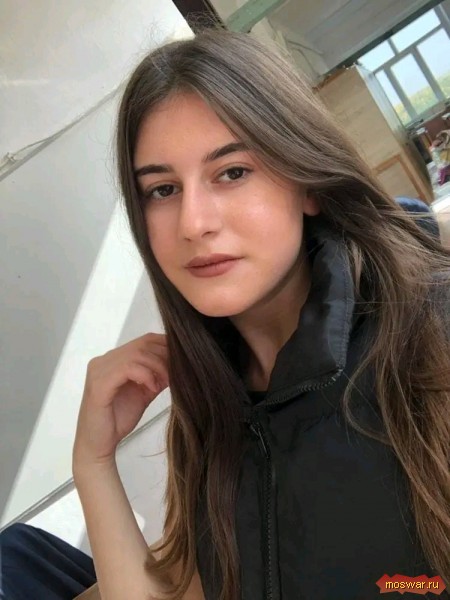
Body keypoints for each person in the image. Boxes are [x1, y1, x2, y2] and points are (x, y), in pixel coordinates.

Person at [2, 27, 450, 600]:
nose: (193, 222)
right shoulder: (210, 417)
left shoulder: (429, 335)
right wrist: (93, 462)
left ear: (307, 181)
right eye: (162, 190)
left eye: (232, 172)